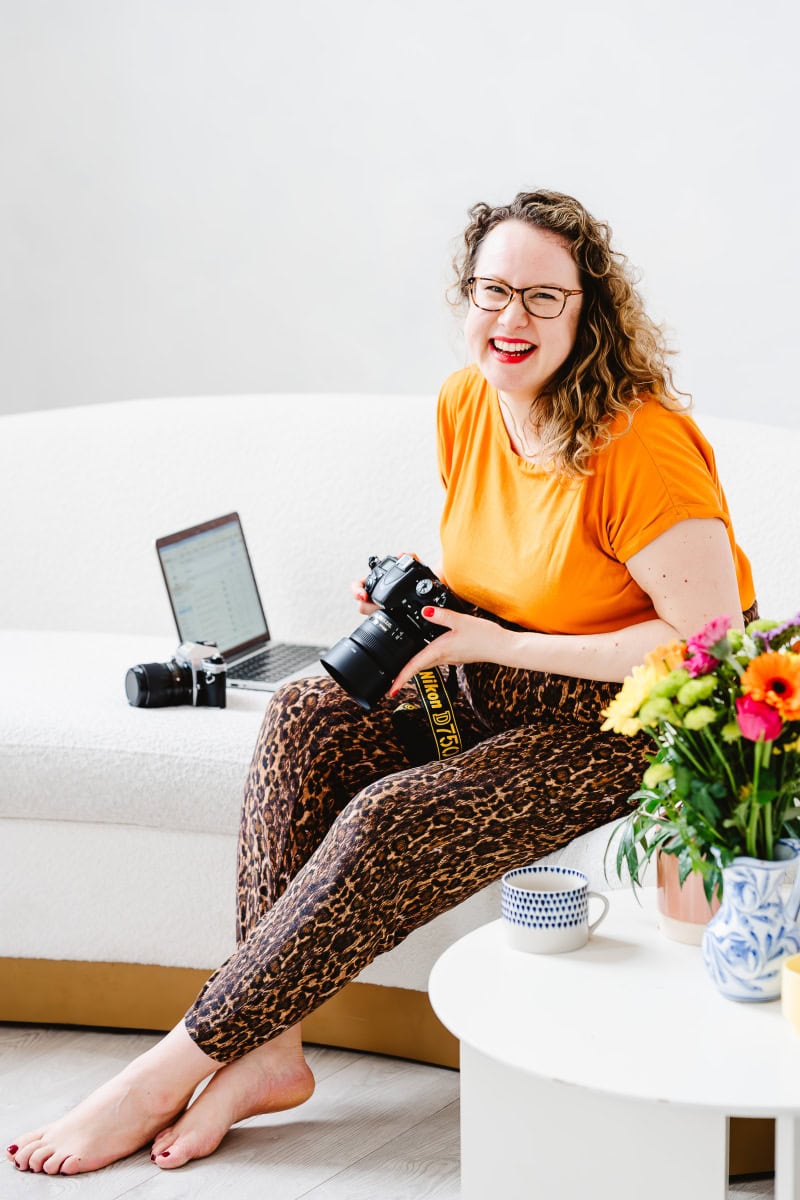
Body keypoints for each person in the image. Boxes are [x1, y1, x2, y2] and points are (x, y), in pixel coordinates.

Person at [6, 189, 755, 1176]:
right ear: (464, 298)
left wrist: (494, 643)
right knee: (305, 713)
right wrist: (433, 601)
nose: (510, 319)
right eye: (492, 291)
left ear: (587, 312)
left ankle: (166, 1066)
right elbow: (518, 569)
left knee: (386, 816)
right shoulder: (466, 404)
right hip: (492, 673)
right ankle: (269, 1048)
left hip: (624, 720)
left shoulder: (637, 445)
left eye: (541, 296)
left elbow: (706, 646)